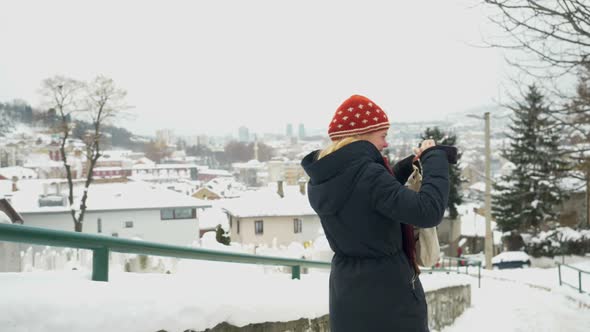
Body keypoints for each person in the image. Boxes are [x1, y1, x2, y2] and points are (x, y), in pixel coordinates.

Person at [301, 94, 450, 332]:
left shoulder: (323, 177)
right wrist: (435, 160)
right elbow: (428, 211)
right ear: (361, 136)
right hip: (388, 299)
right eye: (382, 135)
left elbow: (367, 200)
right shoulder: (369, 176)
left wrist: (404, 167)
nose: (386, 143)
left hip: (348, 294)